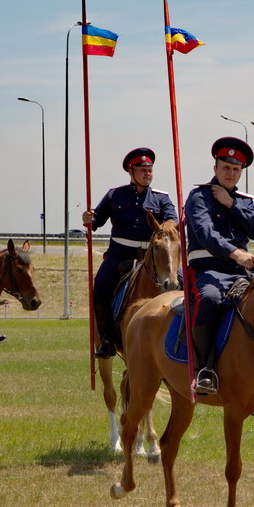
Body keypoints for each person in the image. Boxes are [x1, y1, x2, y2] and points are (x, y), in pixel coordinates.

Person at [183, 137, 254, 394]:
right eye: (226, 167)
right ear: (215, 167)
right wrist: (235, 253)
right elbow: (205, 233)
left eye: (236, 169)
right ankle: (204, 369)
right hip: (207, 268)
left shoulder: (243, 200)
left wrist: (231, 204)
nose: (231, 173)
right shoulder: (199, 196)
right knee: (210, 298)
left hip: (241, 271)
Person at [83, 147, 178, 358]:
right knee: (100, 287)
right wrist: (88, 218)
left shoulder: (161, 198)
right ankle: (107, 340)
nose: (147, 174)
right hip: (120, 255)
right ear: (131, 171)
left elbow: (173, 218)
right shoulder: (114, 195)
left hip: (153, 256)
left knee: (184, 284)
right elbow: (97, 220)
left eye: (150, 169)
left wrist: (168, 225)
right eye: (142, 170)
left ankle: (184, 337)